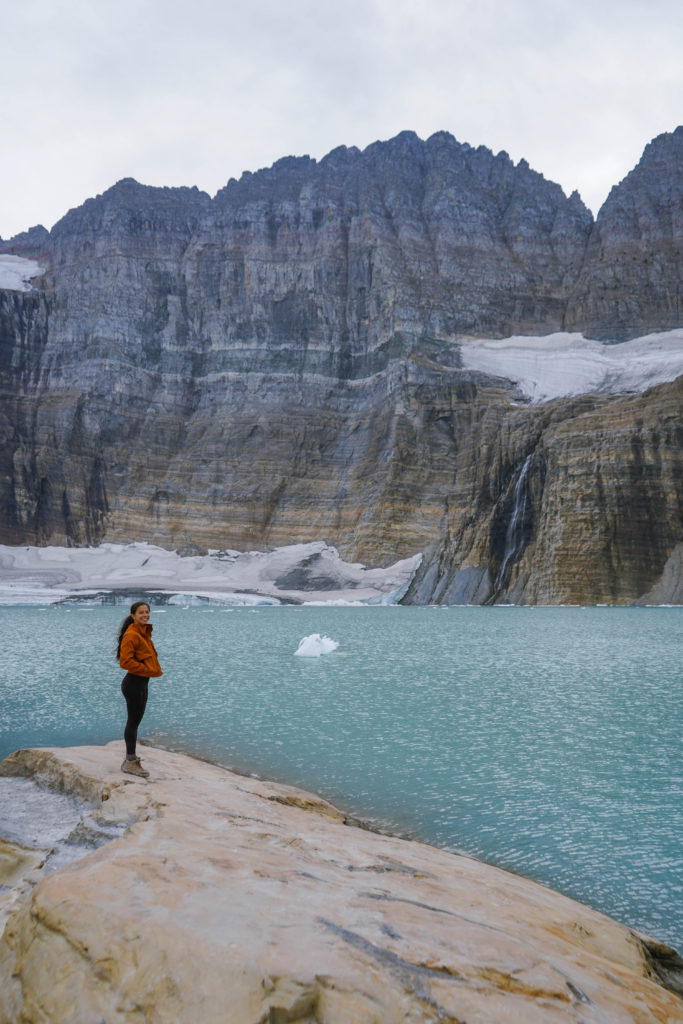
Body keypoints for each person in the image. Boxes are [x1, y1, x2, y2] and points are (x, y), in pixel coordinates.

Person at [116, 601, 163, 778]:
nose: (145, 615)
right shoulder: (132, 635)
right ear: (133, 615)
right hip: (133, 684)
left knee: (135, 722)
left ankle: (131, 760)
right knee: (133, 722)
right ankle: (130, 762)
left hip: (141, 683)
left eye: (147, 612)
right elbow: (125, 662)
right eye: (141, 612)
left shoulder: (143, 632)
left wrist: (148, 671)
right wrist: (147, 670)